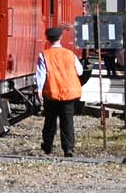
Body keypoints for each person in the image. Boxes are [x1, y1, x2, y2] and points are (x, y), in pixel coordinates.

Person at [35, 24, 88, 157]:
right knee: (67, 121)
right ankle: (68, 148)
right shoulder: (70, 54)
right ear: (60, 38)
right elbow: (80, 71)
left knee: (50, 120)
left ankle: (48, 146)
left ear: (47, 39)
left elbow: (41, 75)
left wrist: (39, 90)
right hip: (69, 93)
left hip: (52, 92)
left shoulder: (44, 55)